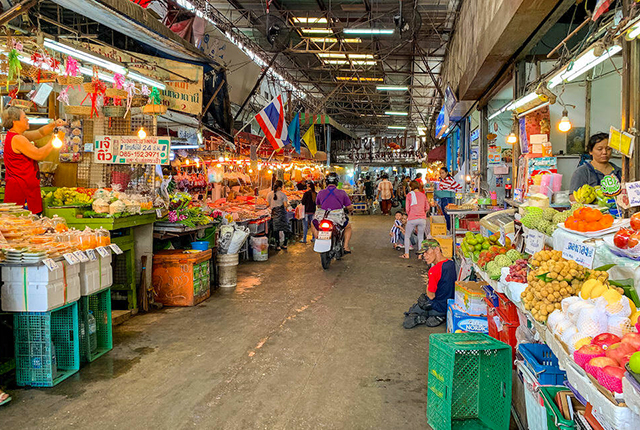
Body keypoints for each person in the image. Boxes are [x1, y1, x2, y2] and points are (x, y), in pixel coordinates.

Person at [2, 107, 66, 214]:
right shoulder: (18, 139)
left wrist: (53, 125)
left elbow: (40, 133)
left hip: (25, 187)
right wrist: (54, 140)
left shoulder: (19, 135)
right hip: (21, 190)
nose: (27, 120)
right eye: (24, 117)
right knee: (25, 225)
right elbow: (39, 154)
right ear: (15, 121)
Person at [403, 240, 456, 328]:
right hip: (450, 304)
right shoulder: (451, 263)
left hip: (439, 306)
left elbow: (431, 296)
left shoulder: (434, 270)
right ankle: (436, 316)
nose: (425, 256)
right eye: (423, 253)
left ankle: (434, 315)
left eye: (427, 252)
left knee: (413, 312)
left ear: (437, 250)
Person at [315, 172, 354, 253]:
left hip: (323, 217)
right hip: (337, 217)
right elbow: (349, 207)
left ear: (326, 182)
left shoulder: (320, 192)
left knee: (313, 224)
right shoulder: (342, 192)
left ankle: (317, 237)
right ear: (336, 182)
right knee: (348, 227)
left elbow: (318, 205)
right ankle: (345, 246)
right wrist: (351, 209)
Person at [401, 181, 430, 259]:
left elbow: (407, 208)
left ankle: (406, 254)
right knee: (420, 237)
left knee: (407, 236)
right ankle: (420, 255)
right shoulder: (423, 195)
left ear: (411, 187)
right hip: (422, 219)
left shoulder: (409, 195)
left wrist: (410, 214)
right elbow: (427, 207)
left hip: (412, 218)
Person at [267, 180, 290, 250]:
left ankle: (278, 246)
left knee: (276, 229)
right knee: (286, 229)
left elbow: (267, 204)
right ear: (281, 187)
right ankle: (285, 244)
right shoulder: (283, 195)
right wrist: (288, 205)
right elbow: (285, 205)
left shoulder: (269, 194)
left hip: (274, 213)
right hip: (282, 213)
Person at [437, 167, 462, 232]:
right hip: (443, 198)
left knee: (449, 216)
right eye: (440, 173)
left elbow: (459, 186)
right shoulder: (443, 180)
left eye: (443, 173)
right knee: (446, 215)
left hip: (448, 199)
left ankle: (451, 230)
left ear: (447, 173)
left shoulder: (450, 179)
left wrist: (457, 195)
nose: (441, 174)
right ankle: (449, 229)